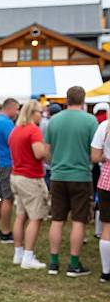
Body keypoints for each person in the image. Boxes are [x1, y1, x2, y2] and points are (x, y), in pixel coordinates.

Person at [45, 86, 98, 277]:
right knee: (78, 220)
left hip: (58, 176)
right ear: (83, 100)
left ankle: (53, 262)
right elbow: (95, 154)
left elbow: (46, 152)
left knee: (57, 220)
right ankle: (74, 264)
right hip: (81, 176)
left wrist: (57, 162)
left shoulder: (54, 120)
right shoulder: (90, 121)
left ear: (66, 100)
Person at [8, 100, 48, 269]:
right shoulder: (33, 130)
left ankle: (18, 254)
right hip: (31, 178)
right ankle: (28, 257)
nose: (42, 114)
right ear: (33, 112)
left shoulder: (16, 130)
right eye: (40, 111)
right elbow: (39, 154)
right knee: (36, 217)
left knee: (21, 215)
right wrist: (47, 149)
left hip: (17, 176)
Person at [0, 98, 19, 242]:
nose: (17, 112)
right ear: (10, 108)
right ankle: (6, 232)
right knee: (8, 198)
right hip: (6, 163)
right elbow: (13, 142)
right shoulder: (7, 123)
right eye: (16, 109)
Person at [91, 109, 110, 282]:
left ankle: (106, 271)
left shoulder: (105, 126)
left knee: (107, 227)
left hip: (107, 179)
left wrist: (106, 156)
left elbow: (95, 156)